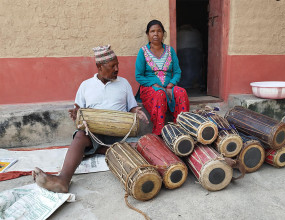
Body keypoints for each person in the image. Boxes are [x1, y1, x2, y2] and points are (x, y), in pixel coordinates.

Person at [32, 45, 148, 193]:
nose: (117, 69)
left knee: (141, 146)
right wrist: (76, 115)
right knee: (80, 135)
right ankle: (63, 180)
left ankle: (98, 149)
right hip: (95, 133)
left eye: (117, 65)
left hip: (120, 133)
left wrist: (136, 110)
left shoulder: (124, 83)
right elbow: (79, 111)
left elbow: (131, 107)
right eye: (113, 66)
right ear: (100, 66)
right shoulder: (86, 86)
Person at [135, 20, 190, 135]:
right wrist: (154, 84)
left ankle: (181, 127)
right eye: (152, 31)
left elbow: (177, 72)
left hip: (169, 86)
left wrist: (170, 85)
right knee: (160, 93)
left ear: (163, 34)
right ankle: (159, 130)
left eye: (159, 31)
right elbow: (138, 76)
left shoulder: (170, 51)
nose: (156, 34)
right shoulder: (143, 52)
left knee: (181, 92)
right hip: (150, 88)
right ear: (148, 34)